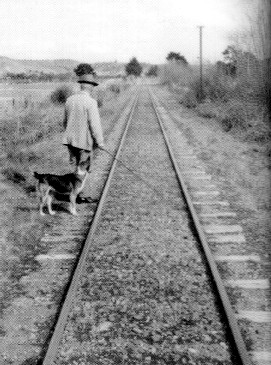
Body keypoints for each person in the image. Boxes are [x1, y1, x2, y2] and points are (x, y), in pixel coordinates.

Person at [63, 73, 104, 174]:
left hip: (70, 141)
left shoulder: (69, 100)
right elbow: (95, 125)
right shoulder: (91, 102)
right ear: (90, 87)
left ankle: (69, 188)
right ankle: (79, 189)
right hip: (84, 142)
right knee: (82, 170)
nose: (93, 88)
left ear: (81, 85)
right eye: (93, 86)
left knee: (73, 167)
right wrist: (100, 142)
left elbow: (64, 122)